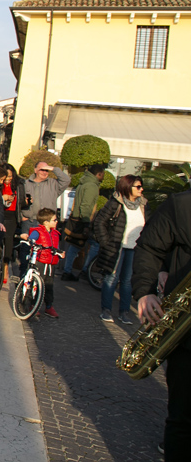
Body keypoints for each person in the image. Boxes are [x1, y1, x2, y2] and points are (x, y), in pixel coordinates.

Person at [132, 190, 191, 460]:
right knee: (183, 417)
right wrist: (145, 291)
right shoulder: (181, 204)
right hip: (187, 331)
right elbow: (149, 247)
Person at [94, 174, 145, 324]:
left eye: (142, 186)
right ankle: (106, 310)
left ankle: (124, 312)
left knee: (127, 281)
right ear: (128, 187)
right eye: (138, 186)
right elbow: (99, 222)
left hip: (134, 248)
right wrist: (106, 242)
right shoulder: (116, 203)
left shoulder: (143, 204)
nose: (141, 189)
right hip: (117, 247)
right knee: (111, 278)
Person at [62, 164, 106, 281]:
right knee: (94, 245)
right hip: (83, 221)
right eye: (103, 175)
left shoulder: (83, 183)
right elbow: (86, 206)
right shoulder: (92, 186)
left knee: (74, 246)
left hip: (77, 218)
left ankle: (68, 270)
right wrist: (87, 223)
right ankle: (85, 270)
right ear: (99, 174)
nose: (103, 178)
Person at [25, 208, 65, 319]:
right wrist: (30, 240)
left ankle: (48, 306)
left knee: (49, 285)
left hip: (51, 263)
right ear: (46, 222)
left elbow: (56, 246)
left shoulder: (56, 234)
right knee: (36, 284)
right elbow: (31, 239)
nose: (57, 221)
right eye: (54, 220)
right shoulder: (37, 231)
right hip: (40, 261)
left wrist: (60, 253)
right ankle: (31, 305)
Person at [0, 163, 26, 282]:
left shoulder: (18, 185)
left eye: (10, 177)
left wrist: (26, 202)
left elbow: (21, 202)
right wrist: (4, 197)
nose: (8, 179)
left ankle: (6, 267)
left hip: (12, 216)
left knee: (9, 241)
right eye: (6, 177)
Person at [21, 160, 70, 225]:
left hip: (48, 222)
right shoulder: (25, 184)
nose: (44, 172)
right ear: (35, 170)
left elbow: (66, 180)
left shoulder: (53, 184)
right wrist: (21, 216)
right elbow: (18, 201)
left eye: (46, 170)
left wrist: (53, 169)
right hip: (29, 221)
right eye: (42, 170)